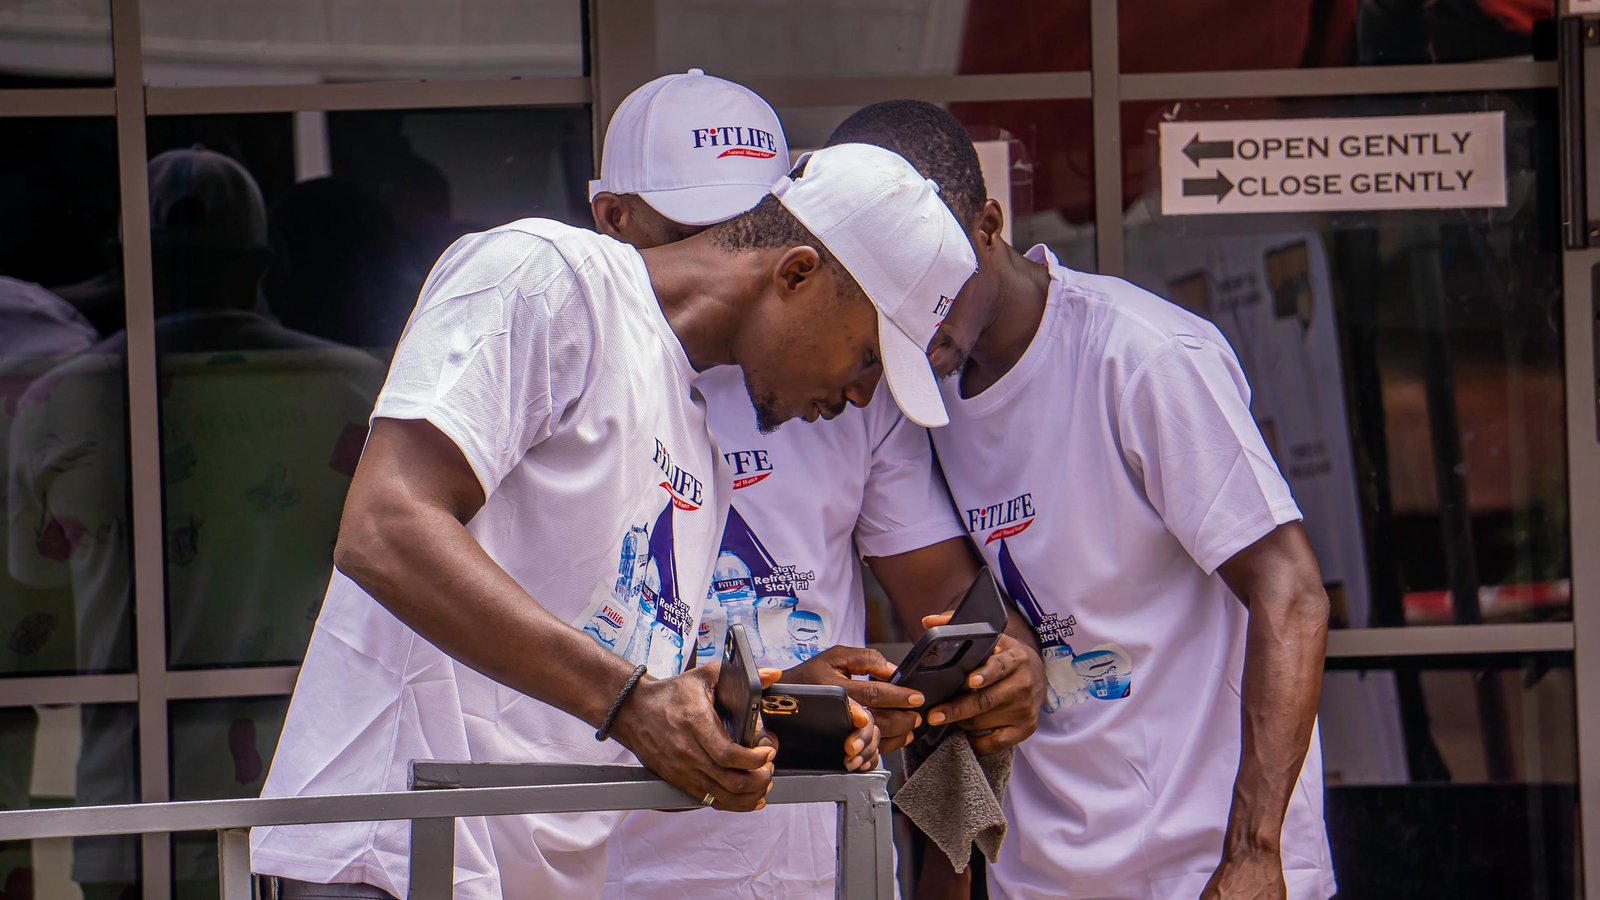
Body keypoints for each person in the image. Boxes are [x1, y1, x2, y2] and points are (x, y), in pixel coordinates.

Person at [249, 139, 979, 898]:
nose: (861, 397)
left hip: (526, 876)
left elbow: (612, 688)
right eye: (868, 358)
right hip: (393, 859)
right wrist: (631, 700)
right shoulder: (549, 279)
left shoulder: (697, 448)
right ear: (797, 274)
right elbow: (384, 528)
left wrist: (783, 710)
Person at [827, 101, 1336, 899]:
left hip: (1200, 870)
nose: (916, 313)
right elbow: (971, 654)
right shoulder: (927, 396)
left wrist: (1254, 852)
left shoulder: (1140, 357)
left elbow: (1292, 593)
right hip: (1044, 875)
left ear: (988, 224)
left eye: (933, 275)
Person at [585, 70, 1046, 898]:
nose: (735, 253)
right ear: (613, 217)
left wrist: (998, 667)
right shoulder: (581, 348)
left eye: (751, 220)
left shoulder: (849, 381)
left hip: (811, 868)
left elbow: (944, 604)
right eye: (697, 227)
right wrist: (771, 699)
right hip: (597, 865)